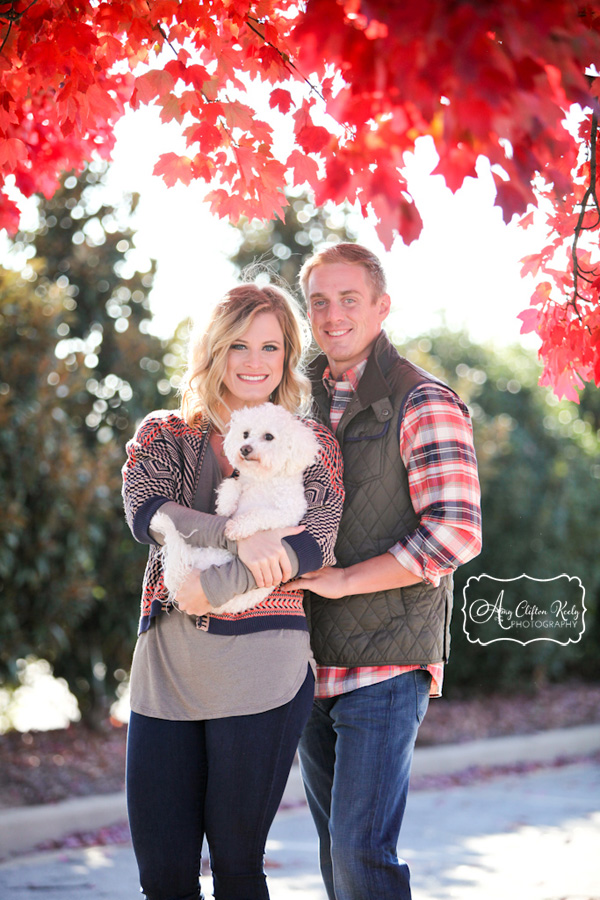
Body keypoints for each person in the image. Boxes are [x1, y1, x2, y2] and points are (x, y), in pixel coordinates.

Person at [121, 282, 344, 900]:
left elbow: (313, 542)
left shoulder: (311, 443)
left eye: (270, 346)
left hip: (263, 668)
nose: (254, 361)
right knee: (163, 876)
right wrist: (236, 537)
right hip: (168, 668)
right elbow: (147, 512)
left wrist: (213, 585)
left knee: (237, 867)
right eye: (239, 344)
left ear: (287, 355)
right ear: (214, 350)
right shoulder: (167, 433)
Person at [294, 243, 482, 900]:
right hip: (308, 661)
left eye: (349, 299)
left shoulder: (422, 400)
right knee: (333, 857)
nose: (332, 315)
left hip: (387, 661)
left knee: (359, 852)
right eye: (319, 301)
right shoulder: (299, 404)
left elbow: (456, 532)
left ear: (381, 307)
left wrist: (346, 580)